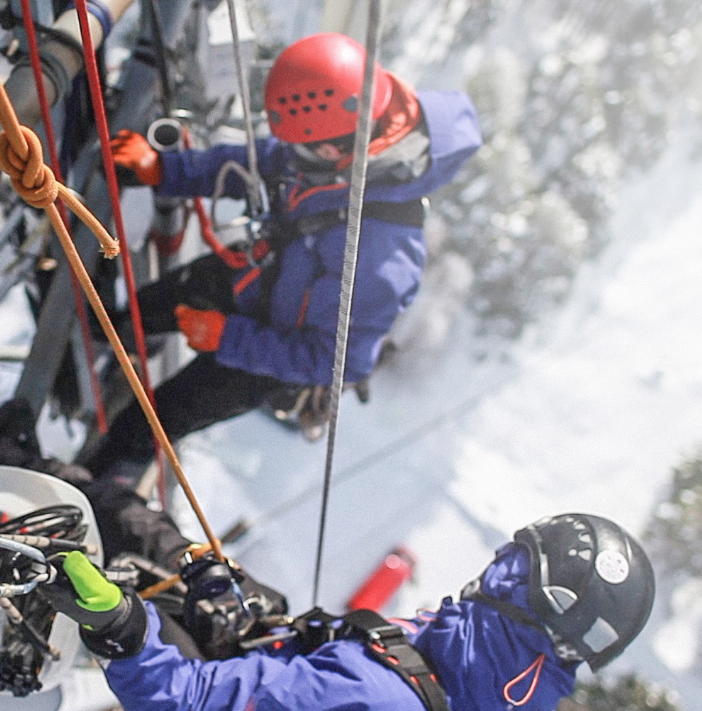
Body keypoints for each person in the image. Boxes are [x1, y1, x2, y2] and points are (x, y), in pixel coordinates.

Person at [84, 32, 482, 474]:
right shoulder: (340, 137)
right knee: (143, 311)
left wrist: (226, 339)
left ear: (332, 150)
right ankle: (117, 343)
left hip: (272, 355)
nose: (290, 155)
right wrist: (165, 169)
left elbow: (334, 361)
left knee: (150, 422)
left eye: (302, 150)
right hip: (257, 276)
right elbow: (258, 166)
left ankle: (94, 481)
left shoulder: (378, 259)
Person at [42, 513, 656, 711]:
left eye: (511, 572)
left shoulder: (375, 707)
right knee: (171, 555)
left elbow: (188, 708)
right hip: (299, 710)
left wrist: (120, 628)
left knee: (138, 569)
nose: (487, 575)